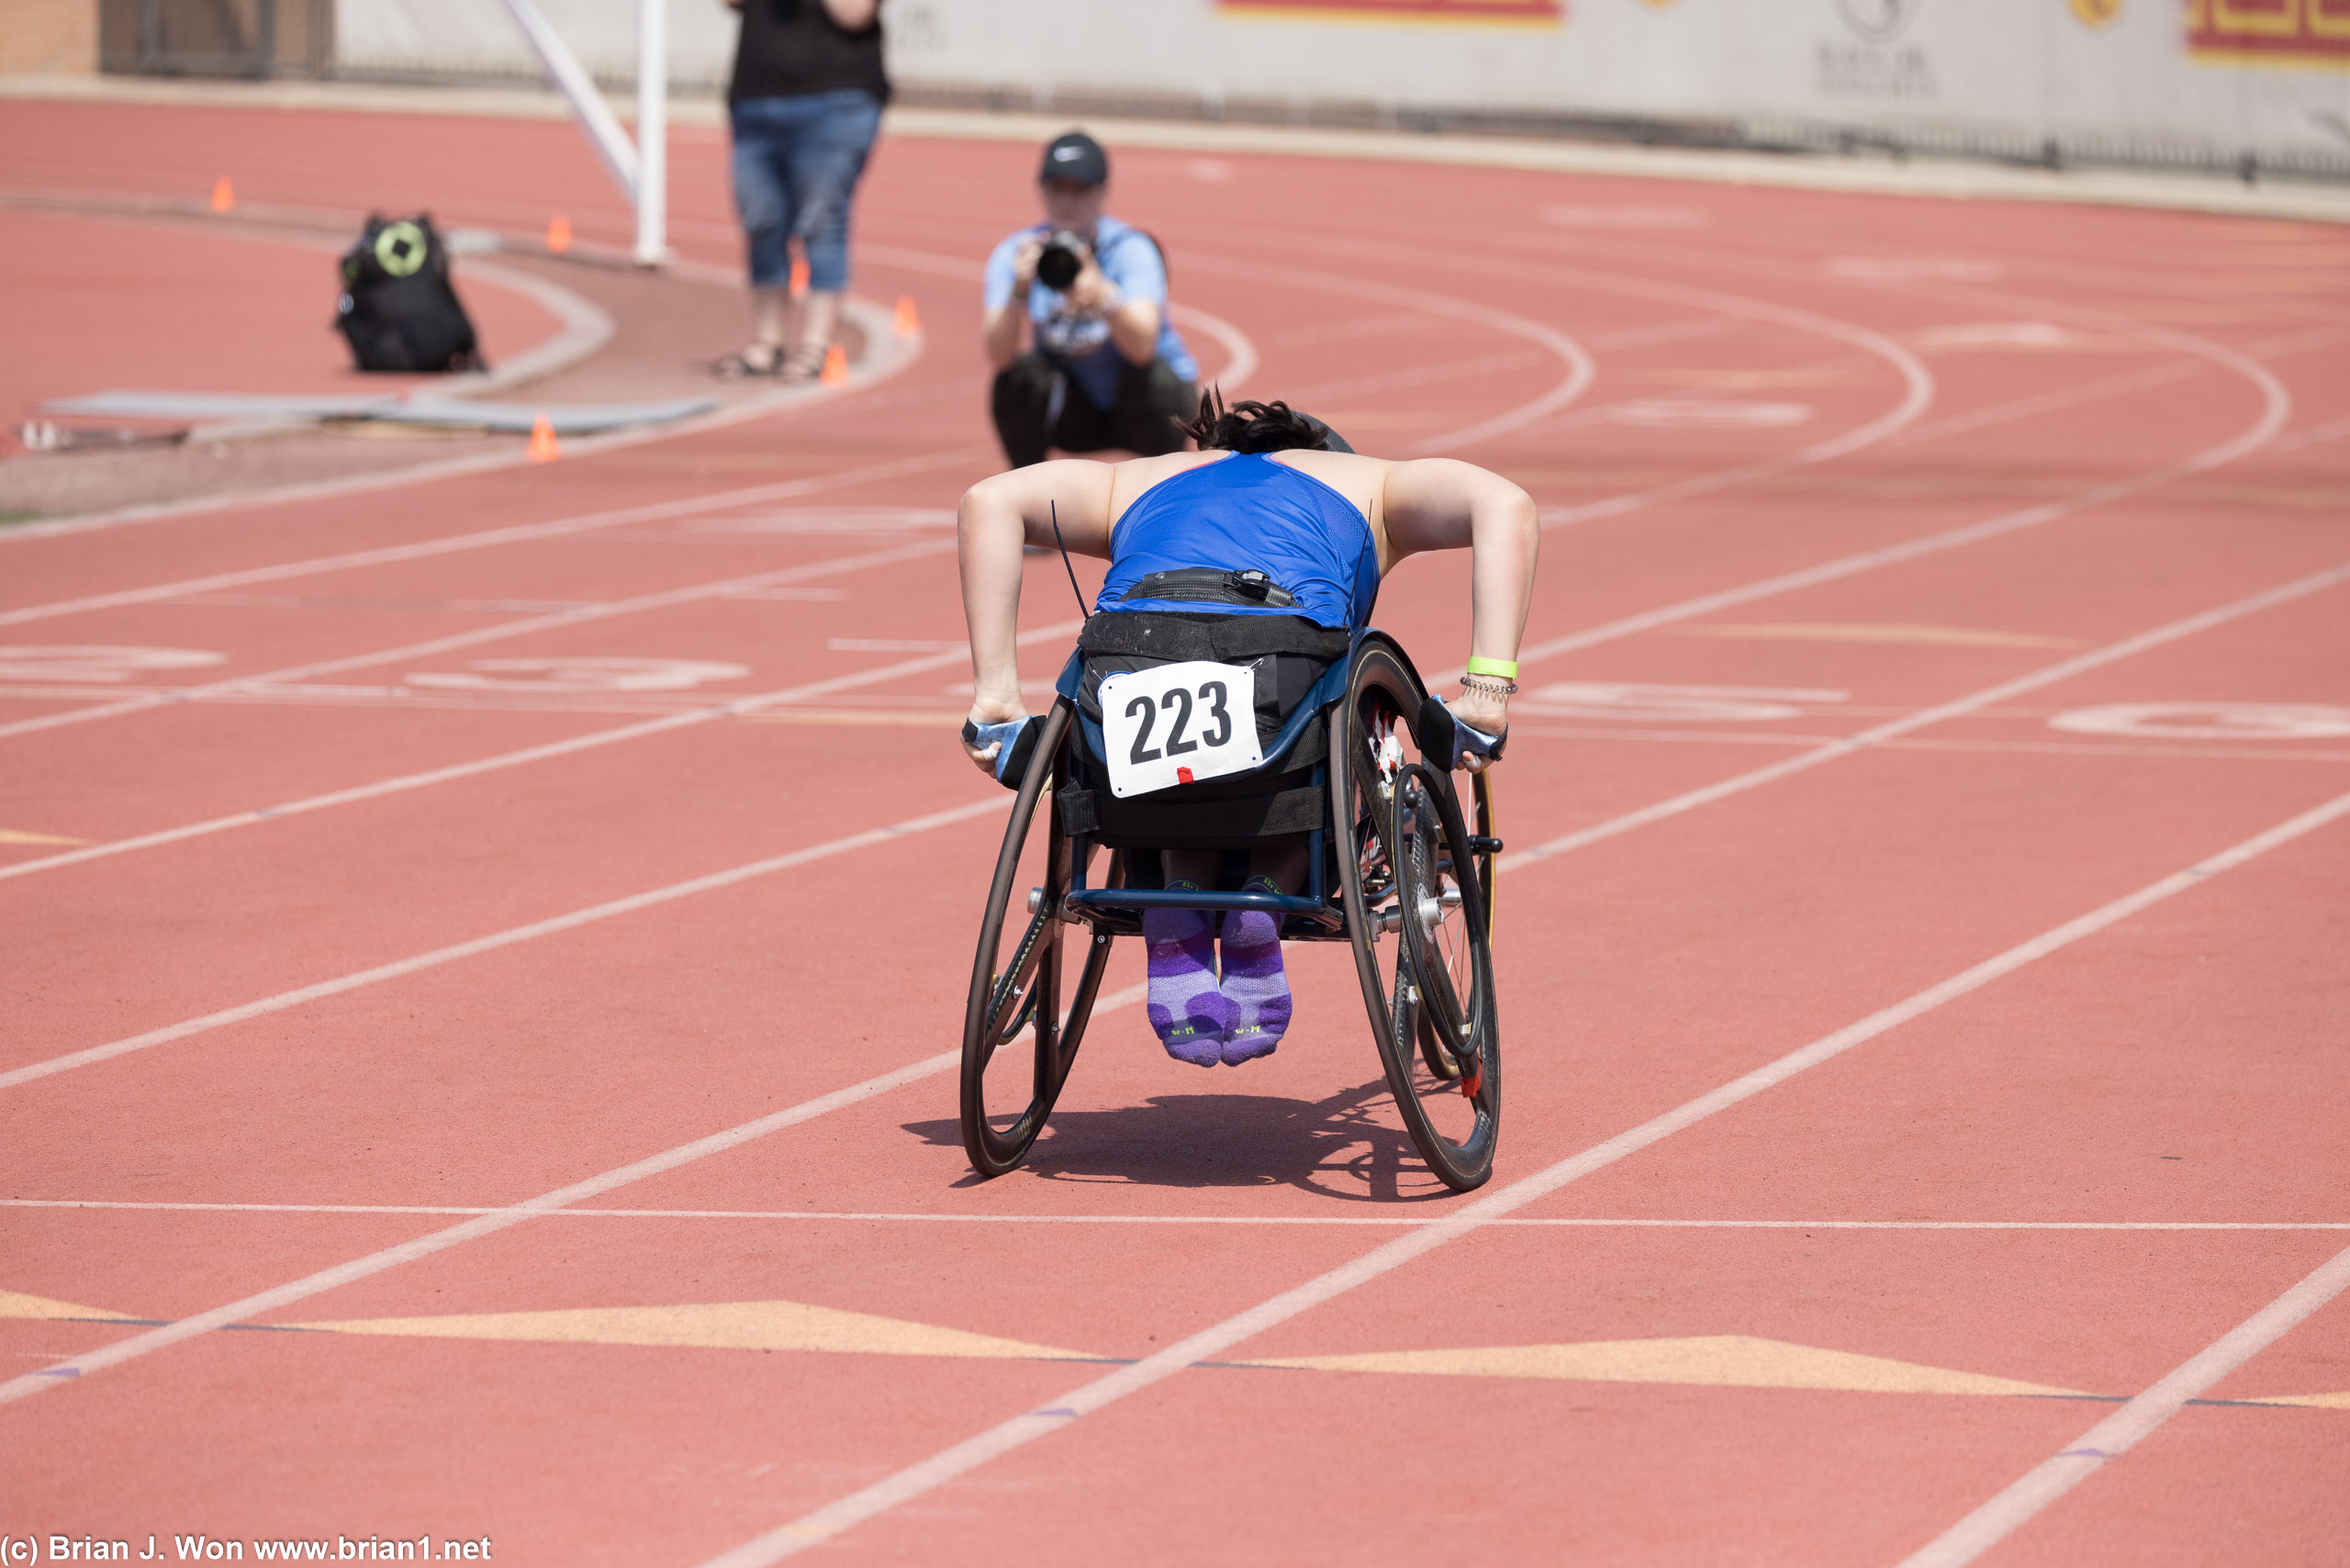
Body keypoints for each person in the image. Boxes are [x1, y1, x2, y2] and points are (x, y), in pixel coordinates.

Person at [956, 395, 1536, 1068]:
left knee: (1172, 757)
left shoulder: (1137, 481)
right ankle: (1262, 894)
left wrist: (996, 704)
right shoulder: (1369, 482)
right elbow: (1507, 506)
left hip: (1126, 658)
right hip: (1281, 658)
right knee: (1328, 722)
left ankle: (1180, 900)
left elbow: (987, 502)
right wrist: (1486, 694)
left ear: (1213, 448)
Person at [983, 131, 1201, 467]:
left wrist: (1103, 296)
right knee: (1016, 380)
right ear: (1041, 190)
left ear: (1102, 192)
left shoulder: (1130, 248)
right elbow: (1000, 357)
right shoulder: (1017, 253)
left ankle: (1165, 486)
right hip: (1076, 406)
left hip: (1141, 404)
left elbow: (1142, 349)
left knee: (1159, 378)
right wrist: (1018, 291)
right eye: (1057, 188)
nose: (1067, 201)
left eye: (1079, 189)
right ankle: (1028, 492)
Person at [717, 0, 888, 379]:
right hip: (756, 97)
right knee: (760, 218)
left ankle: (815, 345)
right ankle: (767, 342)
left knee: (822, 218)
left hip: (835, 96)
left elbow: (855, 13)